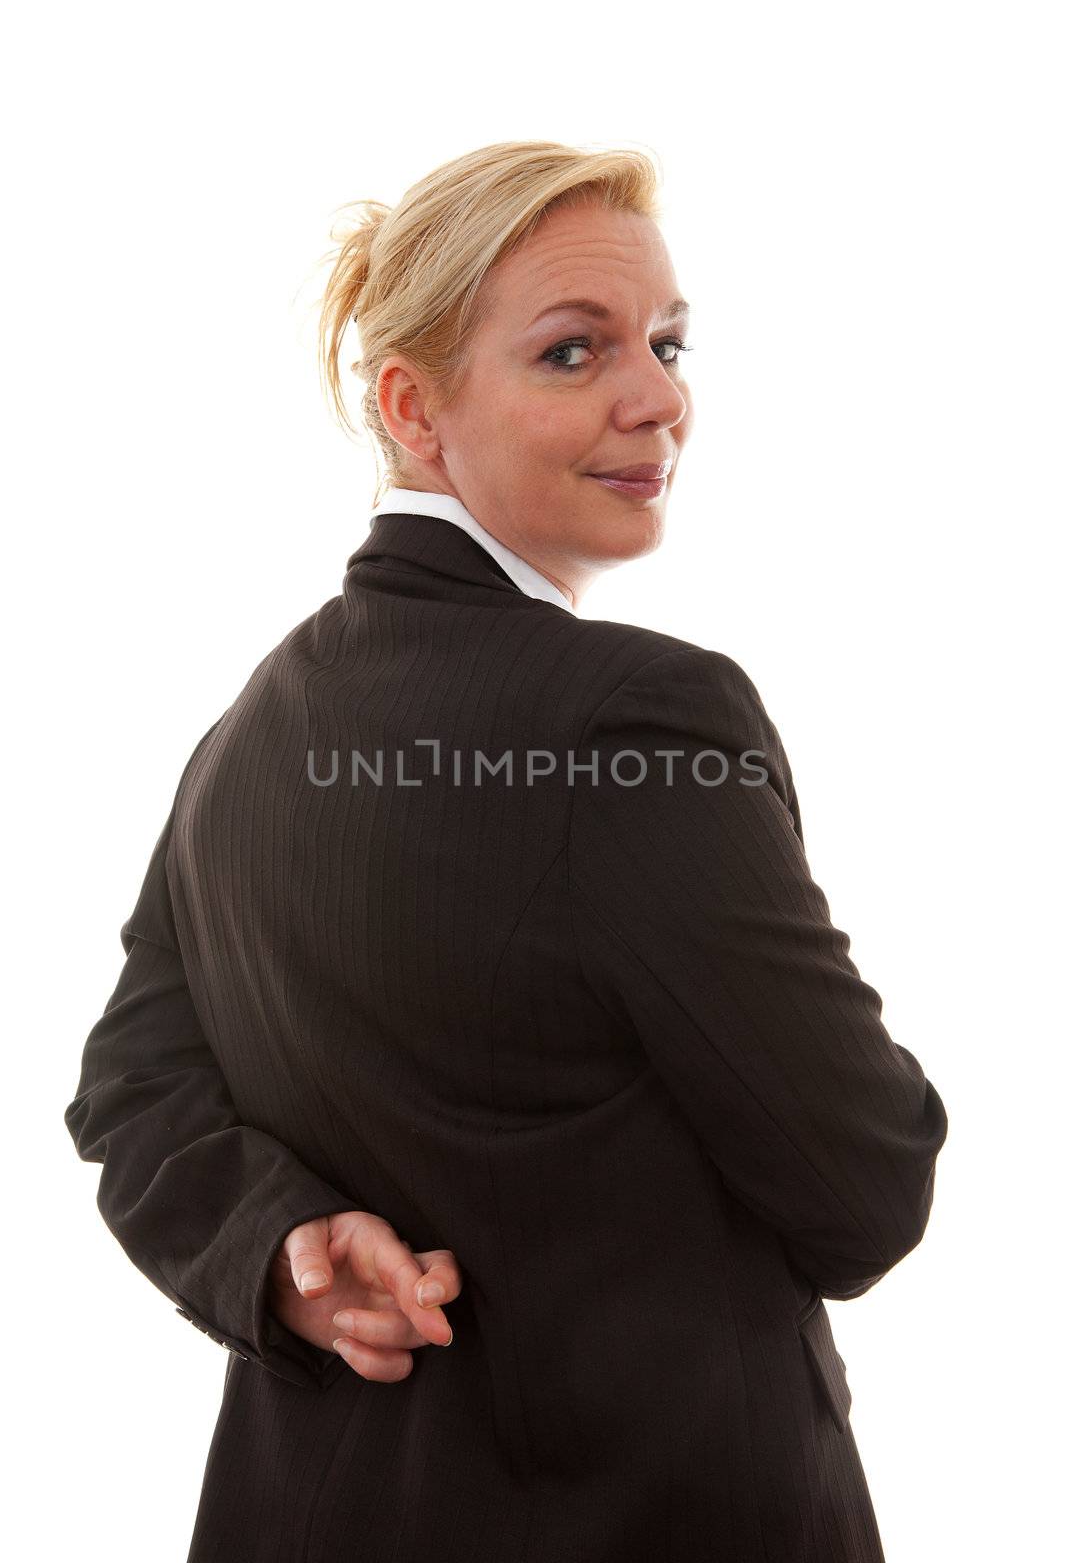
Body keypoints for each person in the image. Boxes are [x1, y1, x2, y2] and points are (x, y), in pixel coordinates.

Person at [64, 139, 949, 1562]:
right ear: (415, 408)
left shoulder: (245, 735)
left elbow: (133, 1091)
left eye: (666, 342)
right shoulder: (641, 718)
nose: (658, 396)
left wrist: (282, 1251)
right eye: (571, 351)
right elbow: (865, 1186)